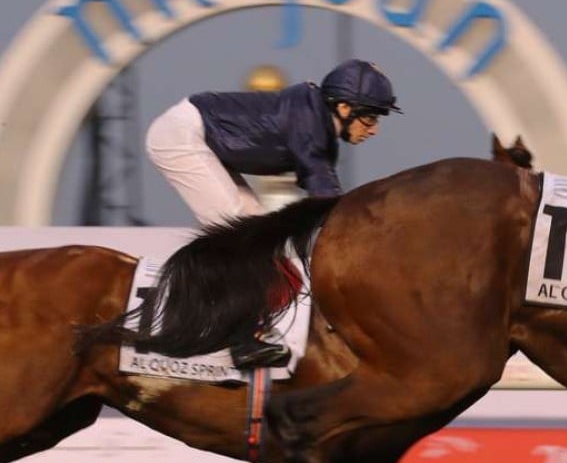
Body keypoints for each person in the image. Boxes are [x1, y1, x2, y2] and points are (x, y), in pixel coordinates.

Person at [145, 59, 401, 368]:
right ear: (345, 108)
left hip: (199, 134)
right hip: (180, 136)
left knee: (254, 228)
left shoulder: (317, 124)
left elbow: (327, 203)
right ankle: (237, 340)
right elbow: (329, 202)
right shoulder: (310, 126)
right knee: (241, 234)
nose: (374, 129)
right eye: (371, 118)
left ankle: (246, 327)